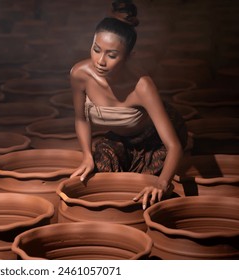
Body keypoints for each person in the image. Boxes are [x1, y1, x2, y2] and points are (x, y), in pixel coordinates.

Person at [69, 16, 188, 210]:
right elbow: (81, 119)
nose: (100, 61)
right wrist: (86, 156)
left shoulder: (142, 86)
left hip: (155, 141)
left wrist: (162, 182)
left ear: (129, 56)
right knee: (100, 171)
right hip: (121, 137)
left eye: (112, 55)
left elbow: (173, 146)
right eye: (96, 49)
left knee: (150, 191)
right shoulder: (79, 74)